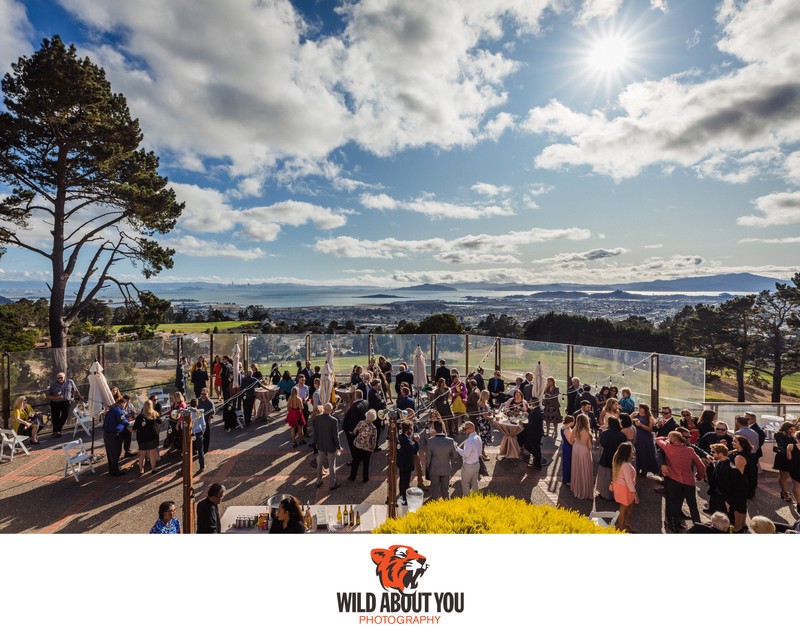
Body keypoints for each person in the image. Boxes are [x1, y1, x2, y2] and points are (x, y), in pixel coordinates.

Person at [656, 431, 706, 533]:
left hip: (674, 481)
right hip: (689, 482)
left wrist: (666, 438)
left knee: (675, 504)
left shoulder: (668, 447)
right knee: (693, 505)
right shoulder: (690, 450)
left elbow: (657, 440)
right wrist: (700, 476)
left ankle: (674, 526)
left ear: (673, 440)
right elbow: (701, 466)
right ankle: (698, 527)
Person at [708, 443, 747, 532]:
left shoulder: (732, 469)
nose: (711, 454)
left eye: (713, 452)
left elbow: (739, 489)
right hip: (718, 498)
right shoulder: (719, 463)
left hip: (727, 502)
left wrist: (729, 501)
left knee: (728, 523)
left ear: (720, 454)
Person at [426, 418, 458, 501]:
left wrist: (427, 467)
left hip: (434, 468)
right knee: (445, 490)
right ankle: (445, 507)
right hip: (446, 467)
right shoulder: (450, 441)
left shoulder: (430, 441)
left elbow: (428, 458)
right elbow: (455, 456)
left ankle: (434, 506)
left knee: (434, 490)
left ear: (435, 428)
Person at [596, 416, 626, 501]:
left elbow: (602, 443)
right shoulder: (622, 434)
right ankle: (615, 494)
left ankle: (605, 494)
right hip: (618, 457)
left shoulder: (605, 433)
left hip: (607, 456)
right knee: (616, 477)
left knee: (606, 476)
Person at [46, 371, 83, 438]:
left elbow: (75, 390)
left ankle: (57, 430)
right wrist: (56, 397)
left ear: (64, 377)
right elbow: (47, 395)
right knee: (55, 417)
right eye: (58, 378)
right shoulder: (53, 384)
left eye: (61, 378)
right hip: (55, 403)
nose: (59, 379)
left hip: (65, 402)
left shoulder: (70, 382)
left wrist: (80, 396)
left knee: (64, 416)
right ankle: (57, 431)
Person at [314, 403, 341, 490]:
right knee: (331, 464)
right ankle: (332, 483)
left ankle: (318, 481)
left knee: (320, 463)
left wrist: (315, 443)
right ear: (331, 410)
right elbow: (335, 436)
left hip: (320, 444)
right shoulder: (334, 420)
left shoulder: (317, 418)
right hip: (331, 446)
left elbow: (315, 432)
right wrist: (338, 446)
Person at [612, 442, 638, 533]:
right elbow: (629, 481)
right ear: (627, 452)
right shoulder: (626, 465)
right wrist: (635, 493)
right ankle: (621, 527)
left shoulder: (618, 461)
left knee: (627, 506)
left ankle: (624, 523)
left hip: (621, 486)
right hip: (625, 488)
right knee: (624, 507)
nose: (633, 452)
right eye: (632, 451)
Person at [103, 397, 131, 476]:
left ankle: (112, 469)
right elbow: (123, 421)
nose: (125, 406)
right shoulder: (118, 410)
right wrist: (130, 426)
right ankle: (115, 471)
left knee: (110, 453)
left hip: (107, 434)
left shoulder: (111, 410)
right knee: (115, 453)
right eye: (125, 404)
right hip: (114, 435)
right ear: (122, 403)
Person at [132, 399, 161, 475]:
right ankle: (153, 469)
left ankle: (141, 470)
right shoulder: (154, 414)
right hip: (152, 436)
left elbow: (134, 428)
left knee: (142, 454)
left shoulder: (140, 416)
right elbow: (160, 421)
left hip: (142, 437)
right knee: (152, 453)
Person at [734, 416, 759, 498]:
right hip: (754, 455)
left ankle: (745, 492)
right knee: (752, 473)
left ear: (737, 422)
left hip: (744, 455)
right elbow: (757, 446)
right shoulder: (754, 432)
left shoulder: (738, 433)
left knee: (743, 474)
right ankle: (752, 492)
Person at [349, 409, 378, 482]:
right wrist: (373, 447)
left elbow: (355, 431)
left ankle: (352, 477)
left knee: (355, 461)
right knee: (366, 463)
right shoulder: (374, 428)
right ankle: (365, 478)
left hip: (358, 444)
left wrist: (352, 433)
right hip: (367, 447)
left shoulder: (361, 422)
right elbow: (374, 439)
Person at [570, 414, 594, 500]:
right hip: (584, 451)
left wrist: (576, 443)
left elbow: (571, 441)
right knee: (584, 469)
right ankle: (584, 489)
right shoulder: (587, 432)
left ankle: (576, 487)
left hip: (576, 449)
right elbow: (590, 446)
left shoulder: (575, 430)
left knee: (577, 468)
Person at [455, 420, 482, 495]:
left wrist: (457, 448)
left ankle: (467, 499)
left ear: (470, 429)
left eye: (465, 429)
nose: (464, 431)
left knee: (465, 483)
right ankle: (476, 497)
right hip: (477, 464)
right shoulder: (478, 437)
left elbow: (465, 454)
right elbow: (480, 452)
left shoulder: (469, 441)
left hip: (469, 466)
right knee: (475, 482)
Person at [774, 421, 797, 502]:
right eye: (791, 429)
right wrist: (792, 437)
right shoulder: (778, 434)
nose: (793, 431)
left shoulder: (794, 435)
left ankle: (785, 492)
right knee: (784, 476)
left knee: (789, 476)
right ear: (786, 429)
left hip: (792, 457)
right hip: (782, 458)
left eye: (794, 429)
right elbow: (784, 445)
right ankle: (785, 492)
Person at [397, 420, 419, 505]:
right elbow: (414, 451)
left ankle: (402, 494)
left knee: (402, 479)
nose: (412, 431)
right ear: (408, 430)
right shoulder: (405, 439)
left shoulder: (400, 437)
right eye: (411, 429)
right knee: (405, 481)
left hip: (402, 462)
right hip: (406, 463)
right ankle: (404, 498)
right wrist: (416, 441)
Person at [633, 403, 658, 476]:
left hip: (645, 437)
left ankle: (645, 470)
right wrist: (633, 420)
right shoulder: (635, 414)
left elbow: (651, 429)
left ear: (645, 409)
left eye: (641, 408)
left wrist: (641, 425)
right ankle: (636, 469)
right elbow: (627, 419)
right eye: (639, 408)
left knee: (645, 453)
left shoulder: (650, 418)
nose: (639, 409)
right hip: (636, 436)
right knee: (637, 452)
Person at [522, 397, 544, 470]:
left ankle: (537, 462)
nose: (530, 403)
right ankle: (537, 462)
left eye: (531, 402)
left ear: (534, 403)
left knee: (529, 446)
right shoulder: (537, 410)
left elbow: (532, 425)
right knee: (536, 448)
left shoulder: (535, 412)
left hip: (535, 433)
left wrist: (523, 424)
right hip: (537, 432)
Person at [186, 398, 207, 473]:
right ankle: (202, 466)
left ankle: (185, 467)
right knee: (200, 450)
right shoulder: (199, 413)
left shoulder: (187, 412)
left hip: (189, 433)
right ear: (197, 404)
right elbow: (203, 424)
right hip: (198, 432)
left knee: (187, 451)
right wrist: (202, 432)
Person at [476, 389, 493, 460]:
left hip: (481, 423)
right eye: (487, 395)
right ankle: (482, 453)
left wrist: (490, 412)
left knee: (482, 438)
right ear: (484, 396)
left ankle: (482, 452)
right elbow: (485, 416)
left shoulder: (481, 402)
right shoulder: (482, 404)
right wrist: (492, 417)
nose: (489, 396)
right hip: (484, 423)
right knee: (483, 438)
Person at [198, 388, 214, 453]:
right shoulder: (198, 400)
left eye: (205, 394)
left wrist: (210, 418)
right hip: (198, 421)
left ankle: (205, 450)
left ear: (207, 394)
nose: (203, 395)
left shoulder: (210, 402)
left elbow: (212, 412)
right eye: (202, 394)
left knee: (206, 436)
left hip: (205, 421)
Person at [560, 415, 574, 486]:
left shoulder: (564, 427)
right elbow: (570, 442)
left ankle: (567, 479)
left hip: (566, 446)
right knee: (567, 463)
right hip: (568, 448)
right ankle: (567, 480)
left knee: (566, 463)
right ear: (571, 422)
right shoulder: (567, 430)